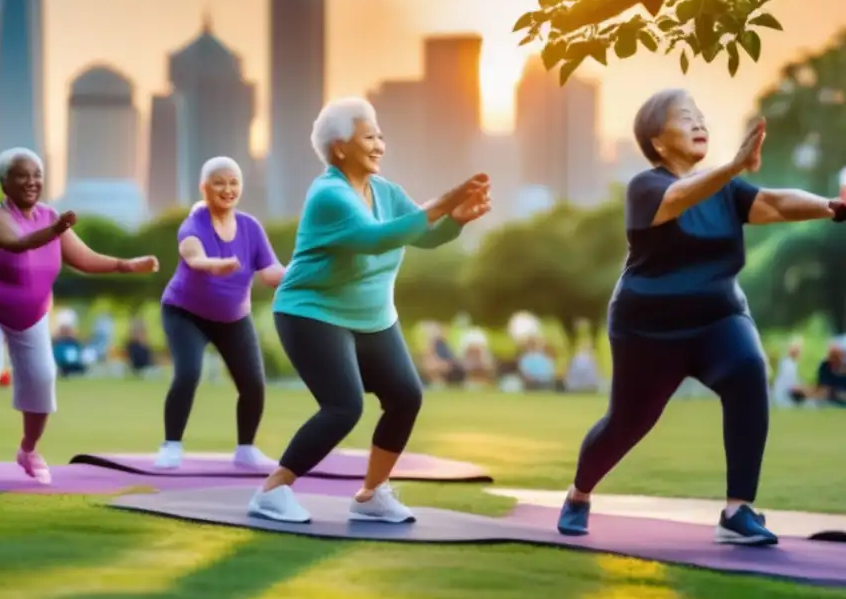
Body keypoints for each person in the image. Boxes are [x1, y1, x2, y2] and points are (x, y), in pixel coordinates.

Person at [557, 88, 846, 546]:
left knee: (750, 371)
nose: (699, 124)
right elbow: (677, 199)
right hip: (647, 329)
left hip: (717, 319)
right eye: (685, 117)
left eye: (702, 117)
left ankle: (737, 511)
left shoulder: (726, 190)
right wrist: (732, 165)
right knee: (628, 423)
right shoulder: (646, 187)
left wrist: (830, 207)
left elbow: (774, 202)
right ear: (656, 141)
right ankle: (578, 493)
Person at [247, 97, 491, 524]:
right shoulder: (329, 195)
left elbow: (421, 234)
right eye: (369, 136)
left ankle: (371, 495)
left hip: (374, 317)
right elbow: (378, 238)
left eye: (380, 135)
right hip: (313, 311)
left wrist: (456, 220)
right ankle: (272, 491)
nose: (380, 144)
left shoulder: (384, 191)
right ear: (340, 147)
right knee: (343, 406)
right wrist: (441, 203)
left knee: (405, 397)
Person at [0, 147, 160, 484]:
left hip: (30, 313)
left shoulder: (49, 216)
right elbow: (18, 244)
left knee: (42, 376)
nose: (31, 182)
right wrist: (56, 229)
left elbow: (85, 259)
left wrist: (126, 265)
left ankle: (28, 450)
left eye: (37, 175)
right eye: (22, 175)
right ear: (4, 182)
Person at [155, 156, 285, 469]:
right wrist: (215, 265)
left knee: (253, 382)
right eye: (219, 183)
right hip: (185, 314)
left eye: (233, 183)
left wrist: (305, 272)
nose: (227, 189)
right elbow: (193, 255)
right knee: (188, 374)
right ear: (204, 188)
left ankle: (246, 449)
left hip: (233, 319)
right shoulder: (194, 224)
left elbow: (270, 273)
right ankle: (171, 444)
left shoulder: (251, 227)